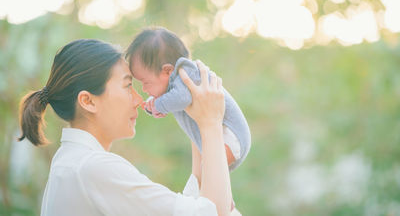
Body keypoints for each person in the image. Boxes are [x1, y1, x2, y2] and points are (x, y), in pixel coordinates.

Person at [18, 39, 233, 216]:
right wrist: (211, 124)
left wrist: (198, 124)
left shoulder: (74, 162)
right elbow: (212, 213)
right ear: (88, 101)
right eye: (128, 86)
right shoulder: (93, 168)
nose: (139, 99)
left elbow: (192, 209)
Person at [125, 27, 251, 172]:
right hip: (223, 137)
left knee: (210, 175)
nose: (144, 89)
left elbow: (181, 98)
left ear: (168, 71)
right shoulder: (174, 82)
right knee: (206, 178)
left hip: (231, 136)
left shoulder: (186, 74)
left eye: (146, 82)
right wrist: (154, 105)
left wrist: (158, 105)